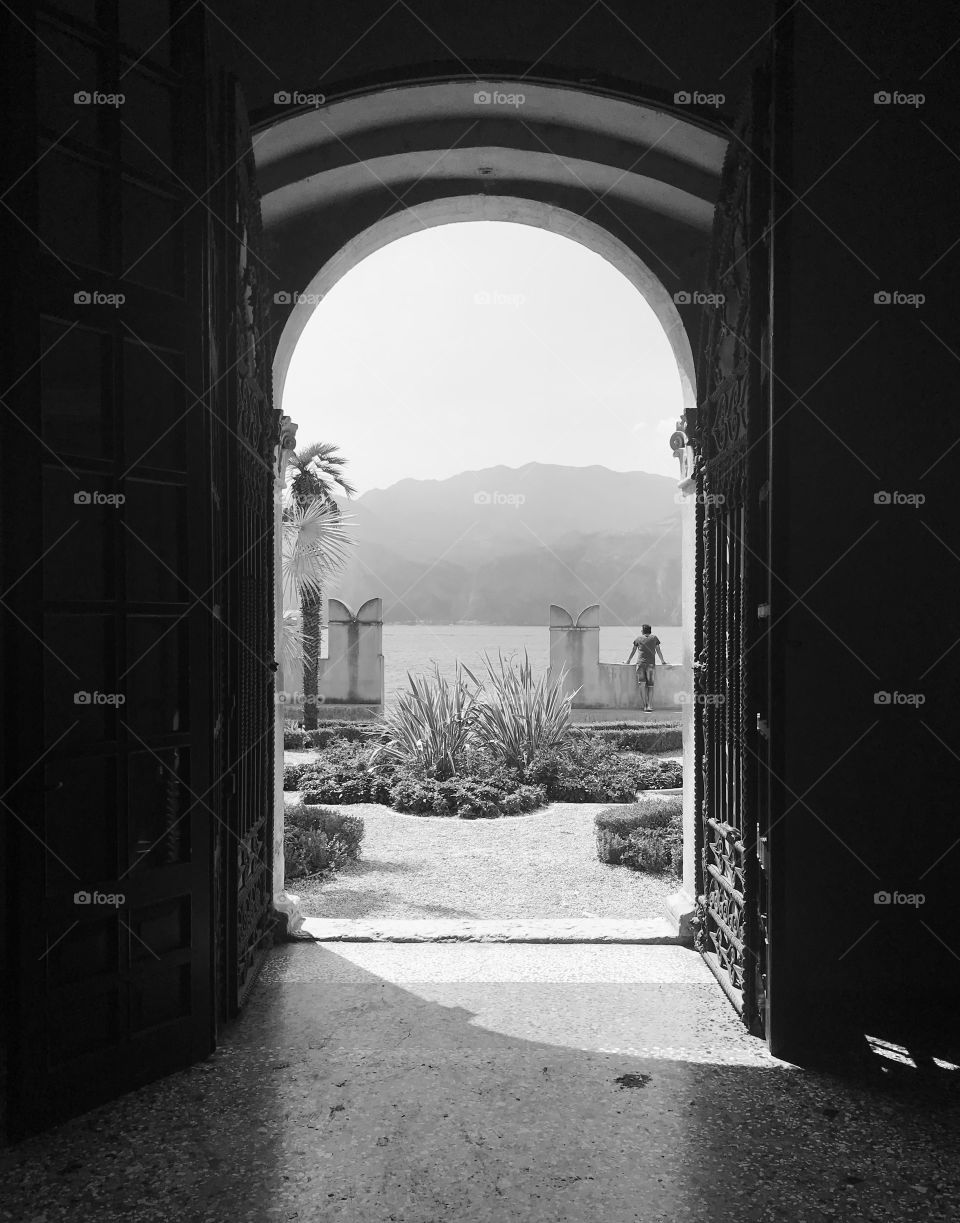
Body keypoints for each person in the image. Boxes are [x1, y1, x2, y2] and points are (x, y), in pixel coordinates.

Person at [626, 623, 666, 712]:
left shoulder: (638, 639)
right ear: (650, 630)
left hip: (640, 664)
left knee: (642, 685)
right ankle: (649, 706)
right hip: (650, 665)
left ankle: (645, 706)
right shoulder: (654, 638)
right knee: (650, 686)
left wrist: (628, 661)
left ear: (643, 631)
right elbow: (658, 650)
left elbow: (633, 651)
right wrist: (662, 661)